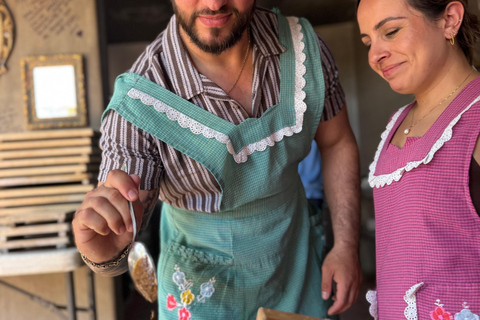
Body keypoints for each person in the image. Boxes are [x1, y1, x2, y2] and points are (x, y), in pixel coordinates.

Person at [73, 1, 362, 319]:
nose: (213, 4)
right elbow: (121, 221)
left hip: (296, 272)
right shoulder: (137, 106)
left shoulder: (304, 49)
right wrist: (104, 249)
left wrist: (346, 246)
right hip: (201, 295)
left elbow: (336, 143)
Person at [357, 0, 480, 319]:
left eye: (391, 31)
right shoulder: (397, 122)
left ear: (449, 20)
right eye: (369, 42)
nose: (374, 55)